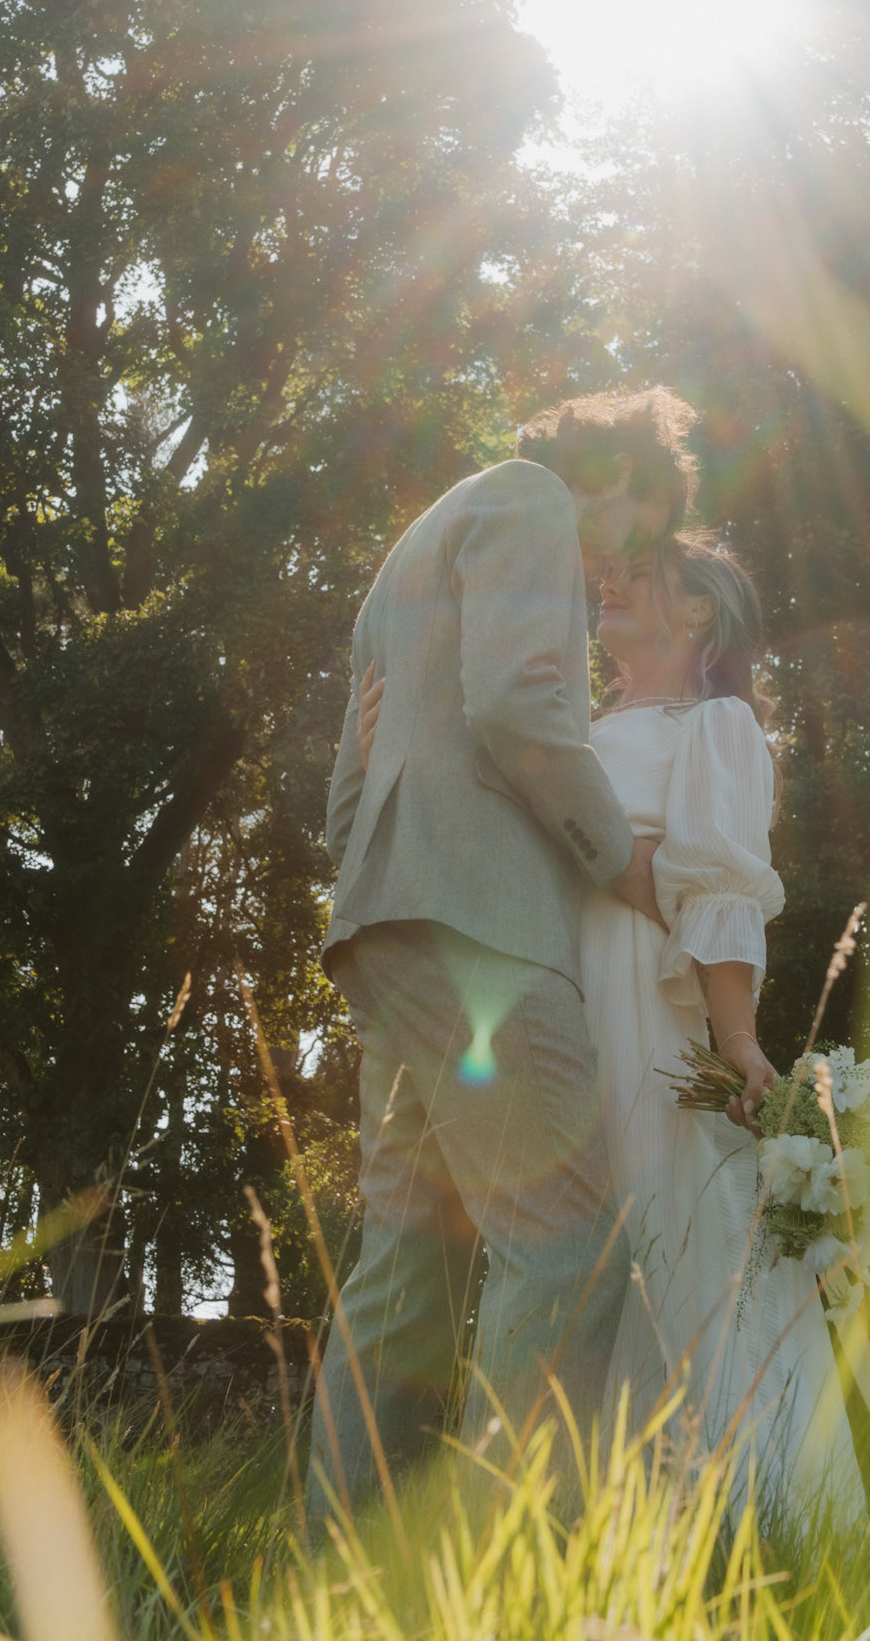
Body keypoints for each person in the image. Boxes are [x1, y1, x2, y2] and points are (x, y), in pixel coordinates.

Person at [358, 528, 870, 1556]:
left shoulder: (716, 726)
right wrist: (395, 740)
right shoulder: (568, 722)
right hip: (544, 997)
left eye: (639, 573)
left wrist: (736, 1038)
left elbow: (718, 885)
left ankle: (755, 1536)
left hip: (640, 1013)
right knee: (561, 1256)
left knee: (672, 1248)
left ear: (698, 610)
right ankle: (580, 1537)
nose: (607, 582)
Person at [307, 387, 698, 1533]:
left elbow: (342, 810)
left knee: (408, 1274)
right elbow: (519, 702)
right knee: (571, 1242)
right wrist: (617, 854)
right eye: (633, 524)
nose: (617, 560)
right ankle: (508, 1566)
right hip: (485, 932)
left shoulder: (409, 556)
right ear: (609, 469)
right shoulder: (532, 500)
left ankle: (335, 1572)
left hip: (390, 930)